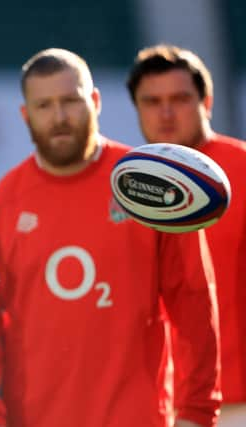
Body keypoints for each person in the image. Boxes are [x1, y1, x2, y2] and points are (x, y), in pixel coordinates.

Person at [0, 48, 221, 427]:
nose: (59, 117)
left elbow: (194, 298)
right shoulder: (2, 203)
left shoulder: (150, 185)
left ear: (95, 102)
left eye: (70, 101)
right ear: (26, 115)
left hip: (140, 418)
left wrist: (197, 411)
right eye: (44, 106)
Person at [126, 44, 246, 427]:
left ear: (206, 101)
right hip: (158, 403)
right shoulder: (125, 187)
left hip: (237, 400)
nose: (165, 112)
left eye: (179, 98)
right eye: (151, 100)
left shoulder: (242, 170)